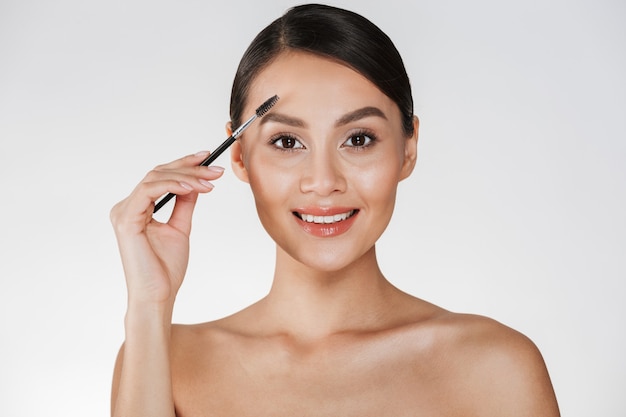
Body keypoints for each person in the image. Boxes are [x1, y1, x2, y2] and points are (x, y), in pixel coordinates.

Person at [110, 4, 560, 416]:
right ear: (240, 155)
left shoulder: (496, 366)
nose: (323, 181)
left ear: (408, 148)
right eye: (287, 142)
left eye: (358, 139)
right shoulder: (164, 360)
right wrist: (149, 306)